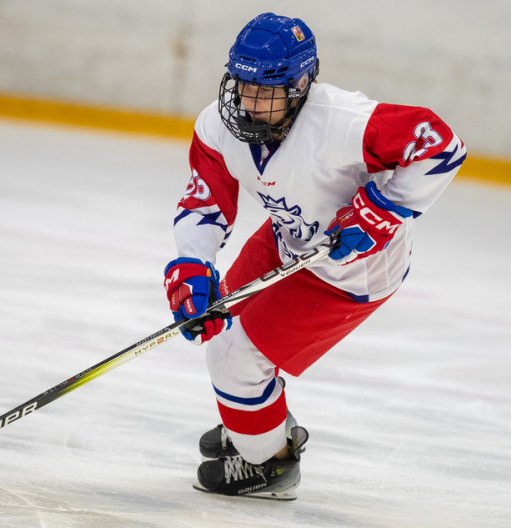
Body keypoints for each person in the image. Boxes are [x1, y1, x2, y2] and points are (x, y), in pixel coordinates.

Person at [163, 12, 466, 500]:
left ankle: (270, 464)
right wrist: (192, 264)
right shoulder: (217, 125)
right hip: (289, 237)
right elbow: (205, 202)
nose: (249, 102)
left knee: (234, 362)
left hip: (352, 270)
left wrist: (384, 211)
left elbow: (440, 144)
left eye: (267, 90)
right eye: (242, 84)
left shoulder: (342, 122)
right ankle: (260, 424)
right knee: (220, 322)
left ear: (302, 84)